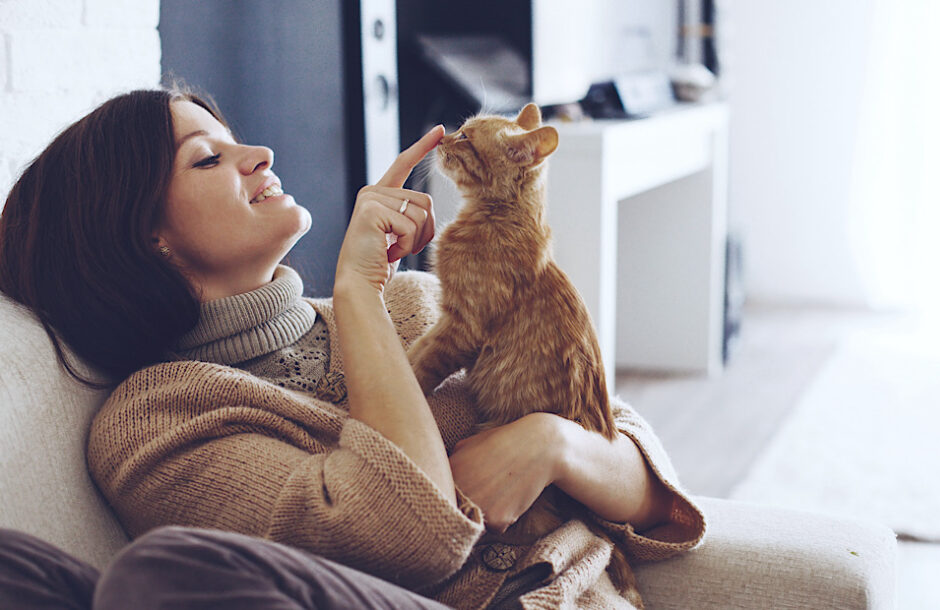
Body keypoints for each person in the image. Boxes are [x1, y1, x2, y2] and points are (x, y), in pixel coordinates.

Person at [0, 86, 705, 608]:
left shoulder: (416, 304)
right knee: (145, 575)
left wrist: (551, 443)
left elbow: (648, 490)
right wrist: (358, 291)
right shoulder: (155, 421)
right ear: (146, 235)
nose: (260, 154)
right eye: (208, 158)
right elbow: (410, 531)